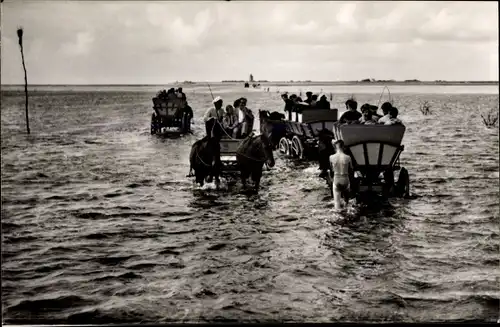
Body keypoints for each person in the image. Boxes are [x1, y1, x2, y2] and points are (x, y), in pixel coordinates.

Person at [329, 140, 353, 210]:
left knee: (337, 203)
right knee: (347, 203)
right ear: (343, 147)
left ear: (335, 147)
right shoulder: (348, 157)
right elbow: (351, 169)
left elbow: (331, 169)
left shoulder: (331, 157)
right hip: (345, 179)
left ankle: (338, 216)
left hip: (337, 179)